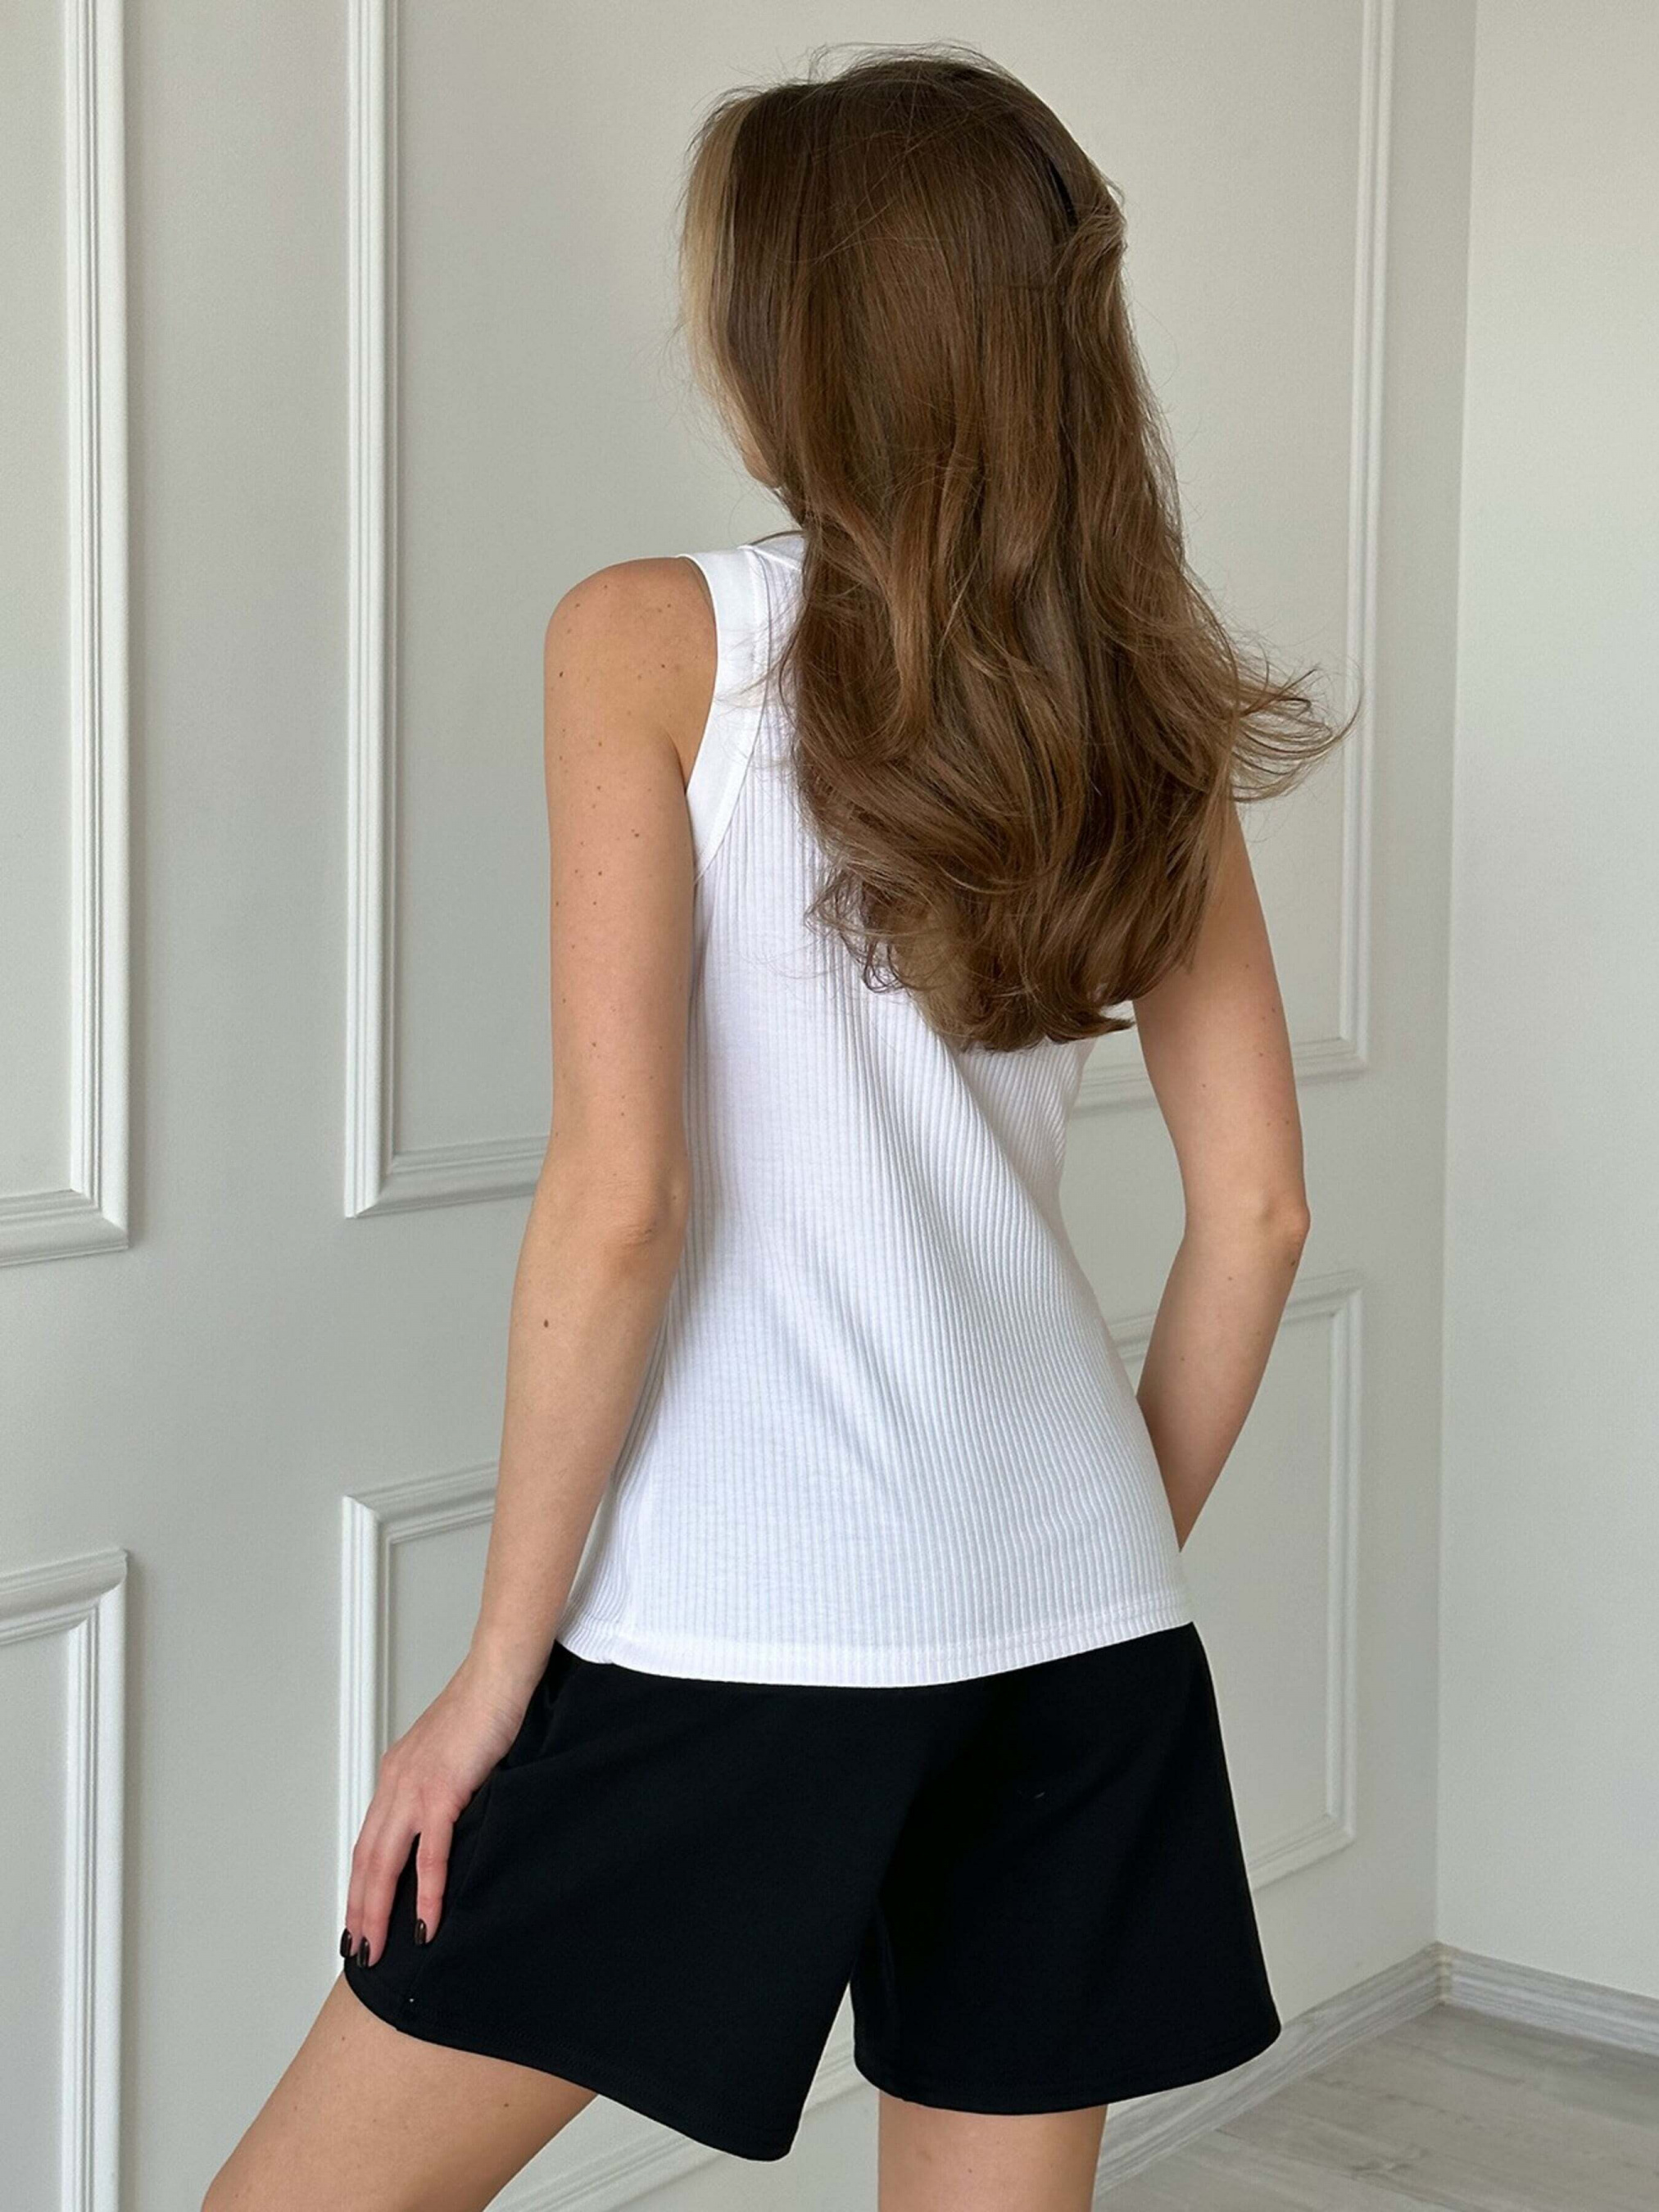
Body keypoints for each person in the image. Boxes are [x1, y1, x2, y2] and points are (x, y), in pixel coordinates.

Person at [208, 41, 1349, 2212]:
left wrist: (493, 1676)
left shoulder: (654, 641)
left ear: (797, 343)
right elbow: (1261, 1214)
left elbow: (620, 1199)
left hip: (743, 1625)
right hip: (1075, 1624)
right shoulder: (1139, 709)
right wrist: (1089, 1560)